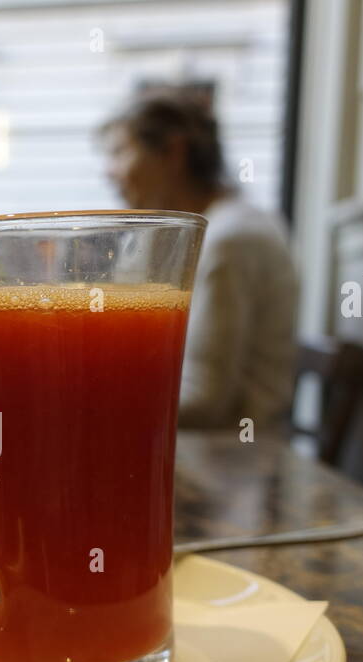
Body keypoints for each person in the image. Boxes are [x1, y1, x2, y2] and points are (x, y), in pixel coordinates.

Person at [102, 93, 299, 431]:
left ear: (173, 152)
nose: (110, 172)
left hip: (233, 455)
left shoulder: (230, 241)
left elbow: (205, 402)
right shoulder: (187, 234)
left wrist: (85, 407)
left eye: (121, 152)